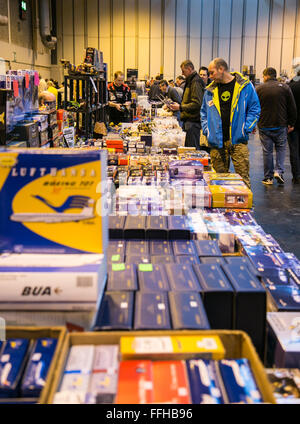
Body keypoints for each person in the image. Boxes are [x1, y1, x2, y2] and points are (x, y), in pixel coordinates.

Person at [201, 57, 261, 188]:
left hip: (238, 141)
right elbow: (203, 113)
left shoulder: (244, 86)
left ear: (221, 69)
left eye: (212, 72)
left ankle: (245, 207)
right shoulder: (210, 90)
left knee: (243, 180)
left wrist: (246, 128)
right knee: (218, 180)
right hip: (217, 142)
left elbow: (254, 108)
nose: (210, 77)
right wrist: (207, 130)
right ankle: (222, 209)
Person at [256, 67, 297, 185]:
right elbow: (292, 107)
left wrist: (253, 124)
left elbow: (253, 107)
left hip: (264, 125)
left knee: (267, 151)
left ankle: (268, 177)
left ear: (265, 76)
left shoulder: (258, 89)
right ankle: (278, 171)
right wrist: (292, 123)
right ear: (275, 75)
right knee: (281, 149)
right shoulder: (285, 88)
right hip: (280, 124)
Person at [169, 60, 204, 149]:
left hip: (193, 122)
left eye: (183, 71)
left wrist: (180, 107)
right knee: (189, 150)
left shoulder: (195, 82)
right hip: (189, 122)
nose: (182, 74)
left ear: (189, 69)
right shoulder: (191, 81)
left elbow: (196, 104)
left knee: (192, 151)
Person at [288, 64, 300, 184]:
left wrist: (290, 123)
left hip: (294, 124)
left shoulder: (291, 86)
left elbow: (289, 107)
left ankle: (296, 176)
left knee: (294, 149)